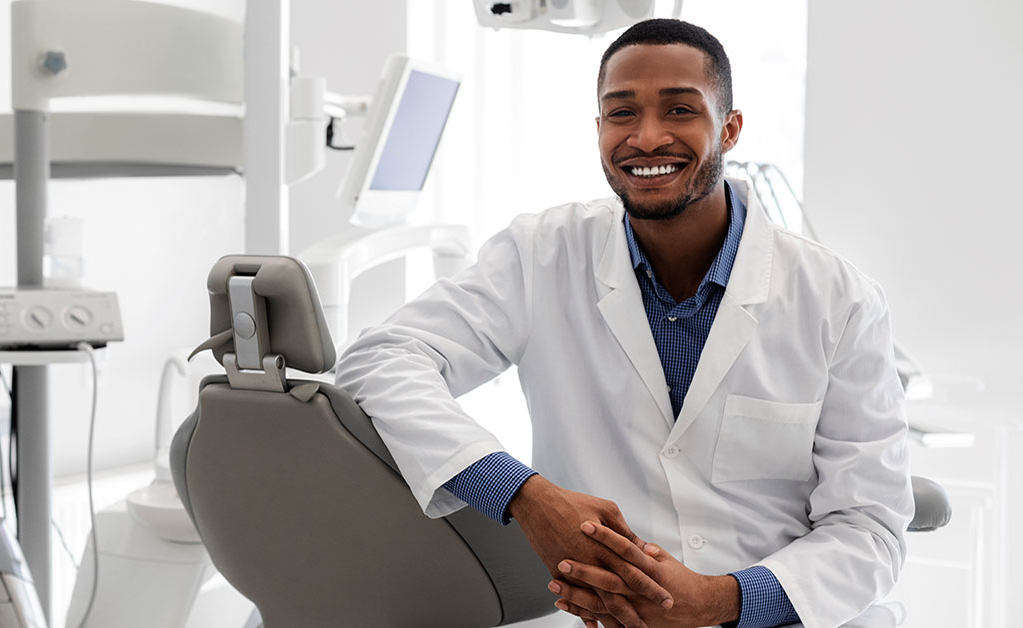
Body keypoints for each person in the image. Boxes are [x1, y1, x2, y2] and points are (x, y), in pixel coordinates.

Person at [335, 18, 912, 628]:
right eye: (621, 113)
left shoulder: (837, 299)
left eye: (680, 110)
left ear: (730, 128)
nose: (647, 137)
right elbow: (382, 358)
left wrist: (717, 601)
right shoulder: (542, 253)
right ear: (600, 129)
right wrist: (523, 494)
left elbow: (869, 527)